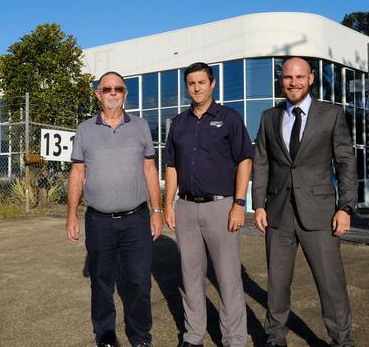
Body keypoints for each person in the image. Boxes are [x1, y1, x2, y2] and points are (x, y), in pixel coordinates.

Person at [251, 57, 358, 347]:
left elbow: (345, 163)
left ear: (311, 78)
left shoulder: (331, 115)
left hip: (320, 214)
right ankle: (274, 337)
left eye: (299, 77)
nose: (293, 82)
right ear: (281, 80)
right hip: (278, 213)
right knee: (277, 282)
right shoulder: (268, 117)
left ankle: (341, 340)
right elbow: (261, 162)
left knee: (330, 283)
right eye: (287, 77)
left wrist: (345, 207)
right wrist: (258, 204)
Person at [66, 71, 163, 347]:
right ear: (98, 94)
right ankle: (105, 335)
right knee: (101, 282)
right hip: (98, 221)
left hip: (136, 219)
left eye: (118, 88)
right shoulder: (85, 129)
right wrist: (71, 214)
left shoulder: (141, 126)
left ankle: (141, 337)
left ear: (125, 93)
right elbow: (76, 172)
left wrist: (156, 211)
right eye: (106, 88)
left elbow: (149, 169)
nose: (112, 93)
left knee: (139, 282)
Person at [163, 62, 253, 347]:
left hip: (221, 207)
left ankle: (234, 339)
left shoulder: (229, 118)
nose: (197, 87)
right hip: (186, 208)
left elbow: (245, 161)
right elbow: (171, 166)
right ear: (186, 87)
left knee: (227, 277)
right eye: (191, 83)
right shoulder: (178, 123)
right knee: (190, 277)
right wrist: (168, 204)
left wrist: (239, 204)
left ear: (212, 84)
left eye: (202, 82)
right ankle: (193, 336)